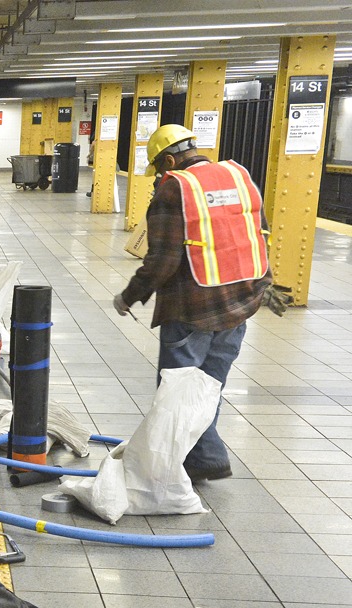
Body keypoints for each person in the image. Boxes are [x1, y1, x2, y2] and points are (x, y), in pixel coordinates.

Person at [113, 124, 272, 482]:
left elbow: (163, 260)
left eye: (158, 169)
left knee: (179, 388)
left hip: (191, 308)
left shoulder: (176, 188)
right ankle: (197, 458)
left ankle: (206, 457)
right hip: (238, 305)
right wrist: (262, 287)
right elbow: (258, 233)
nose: (158, 177)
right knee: (208, 384)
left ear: (169, 160)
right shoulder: (237, 175)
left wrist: (129, 296)